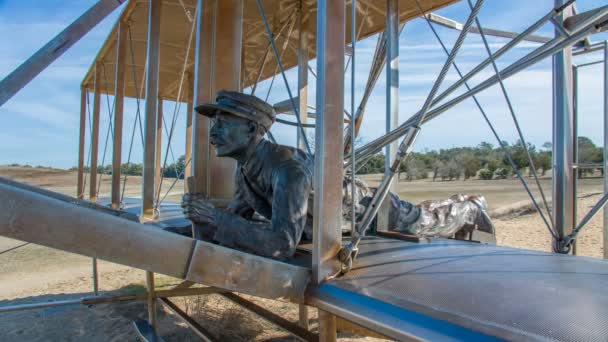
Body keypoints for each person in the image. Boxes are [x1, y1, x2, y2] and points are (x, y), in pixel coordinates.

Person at [182, 91, 493, 260]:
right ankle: (459, 206)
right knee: (424, 217)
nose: (214, 131)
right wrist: (203, 217)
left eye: (223, 122)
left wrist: (217, 219)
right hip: (341, 215)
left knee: (427, 222)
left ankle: (470, 207)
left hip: (367, 210)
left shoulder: (285, 169)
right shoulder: (248, 167)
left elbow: (280, 245)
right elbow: (237, 216)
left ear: (252, 129)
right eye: (214, 123)